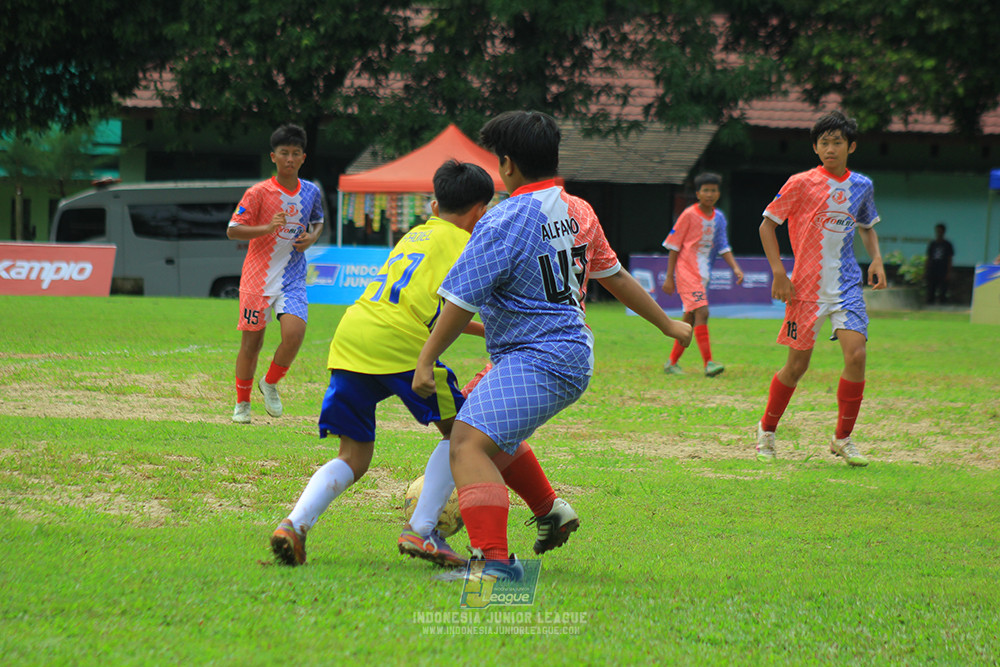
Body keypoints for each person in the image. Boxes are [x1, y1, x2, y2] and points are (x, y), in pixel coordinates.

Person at [412, 110, 692, 582]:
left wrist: (426, 360)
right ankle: (549, 511)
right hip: (569, 353)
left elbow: (459, 303)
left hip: (536, 358)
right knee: (489, 434)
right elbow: (616, 277)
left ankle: (494, 565)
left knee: (466, 444)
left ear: (507, 164)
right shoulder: (579, 209)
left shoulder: (502, 220)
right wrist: (666, 324)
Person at [269, 160, 495, 566]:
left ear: (435, 205)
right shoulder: (468, 246)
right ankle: (422, 530)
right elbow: (451, 310)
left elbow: (427, 308)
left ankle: (295, 524)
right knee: (463, 435)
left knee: (353, 456)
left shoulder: (415, 235)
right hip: (400, 344)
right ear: (480, 212)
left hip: (352, 337)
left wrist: (480, 332)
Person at [755, 110, 886, 467]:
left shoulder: (862, 185)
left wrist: (876, 259)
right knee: (797, 366)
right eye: (824, 143)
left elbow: (867, 226)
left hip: (846, 286)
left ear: (851, 146)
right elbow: (767, 225)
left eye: (837, 142)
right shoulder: (800, 183)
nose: (831, 148)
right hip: (805, 288)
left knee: (856, 355)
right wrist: (779, 273)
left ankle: (843, 438)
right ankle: (767, 430)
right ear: (815, 147)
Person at [227, 124, 325, 424]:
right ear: (273, 156)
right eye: (284, 153)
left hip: (293, 277)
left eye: (295, 153)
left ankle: (269, 383)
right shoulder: (258, 193)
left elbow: (318, 221)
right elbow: (233, 230)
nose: (289, 159)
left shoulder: (311, 192)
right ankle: (242, 404)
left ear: (303, 157)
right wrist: (267, 228)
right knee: (252, 345)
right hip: (257, 279)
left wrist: (312, 237)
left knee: (294, 334)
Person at [661, 172, 744, 377]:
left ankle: (671, 362)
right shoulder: (689, 214)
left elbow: (723, 245)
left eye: (713, 190)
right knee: (703, 312)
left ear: (719, 193)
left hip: (703, 274)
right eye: (705, 190)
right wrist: (670, 276)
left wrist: (735, 267)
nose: (710, 194)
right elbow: (674, 246)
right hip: (687, 272)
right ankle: (709, 363)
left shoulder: (719, 218)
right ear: (698, 193)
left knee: (689, 319)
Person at [925, 222, 954, 304]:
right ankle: (930, 303)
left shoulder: (947, 244)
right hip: (933, 269)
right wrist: (926, 269)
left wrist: (949, 272)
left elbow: (950, 258)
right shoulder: (933, 244)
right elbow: (928, 257)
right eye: (937, 231)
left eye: (940, 231)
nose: (939, 233)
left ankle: (942, 304)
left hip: (943, 269)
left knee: (943, 289)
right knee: (931, 288)